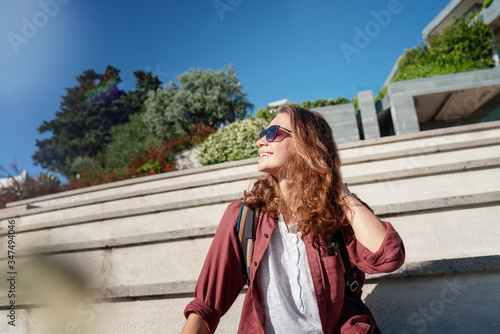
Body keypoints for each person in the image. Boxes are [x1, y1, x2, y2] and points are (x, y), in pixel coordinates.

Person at [182, 106, 405, 333]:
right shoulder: (244, 215)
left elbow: (388, 257)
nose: (261, 142)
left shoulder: (337, 209)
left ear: (304, 144)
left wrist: (338, 189)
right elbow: (206, 306)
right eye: (262, 134)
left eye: (272, 134)